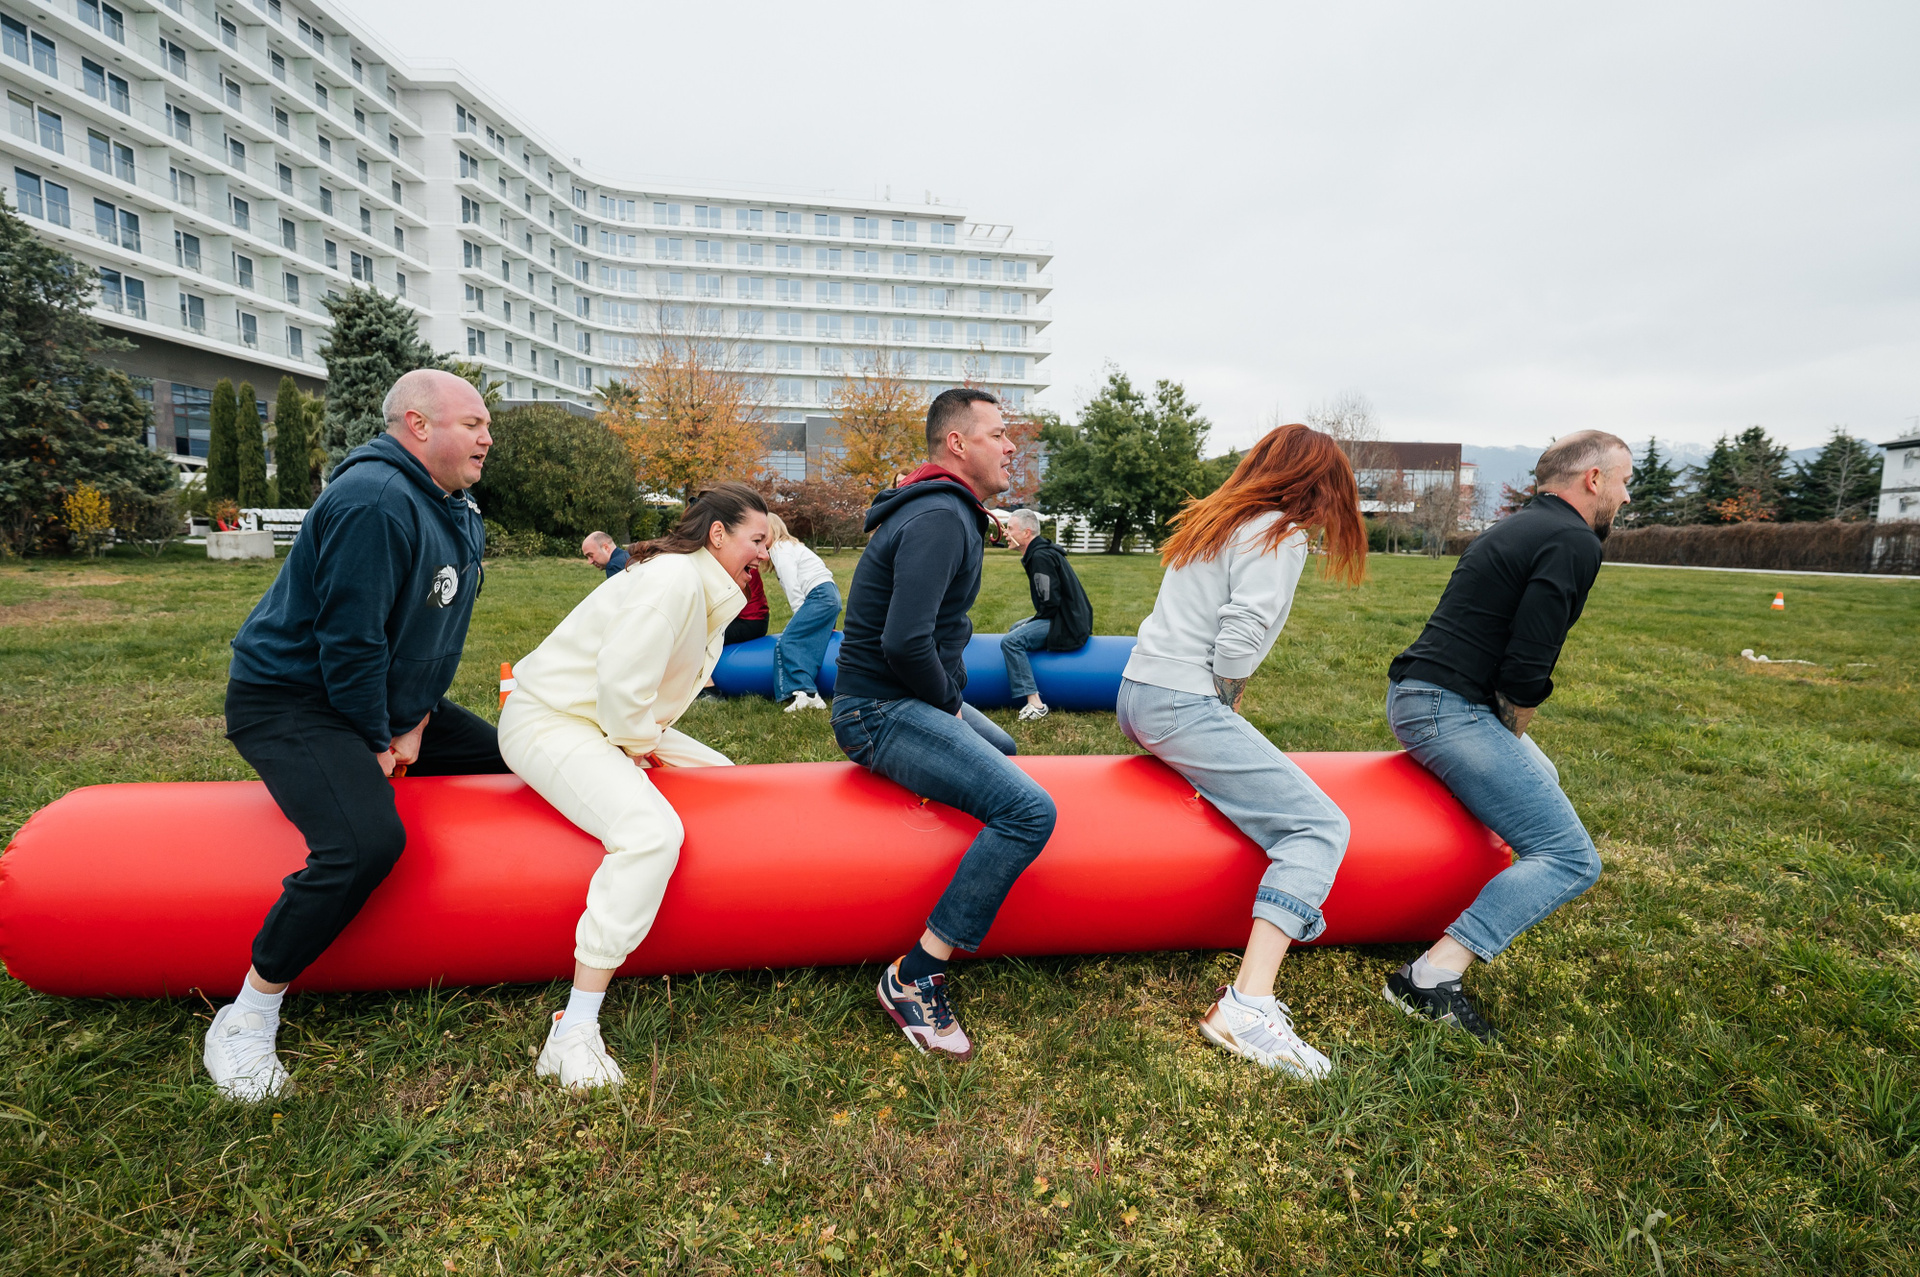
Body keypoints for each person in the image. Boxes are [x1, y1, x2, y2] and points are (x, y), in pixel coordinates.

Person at [204, 369, 512, 1102]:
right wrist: (378, 740)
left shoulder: (455, 504)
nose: (487, 437)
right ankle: (248, 1012)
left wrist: (416, 719)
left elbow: (431, 633)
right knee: (365, 843)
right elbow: (349, 643)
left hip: (386, 699)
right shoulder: (374, 500)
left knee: (521, 757)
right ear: (417, 425)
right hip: (293, 700)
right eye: (472, 423)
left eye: (486, 425)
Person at [498, 483, 771, 1090]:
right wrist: (635, 746)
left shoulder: (700, 583)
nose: (765, 554)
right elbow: (622, 689)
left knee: (727, 783)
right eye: (757, 540)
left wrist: (639, 741)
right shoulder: (674, 581)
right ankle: (574, 1029)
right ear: (718, 534)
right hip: (553, 719)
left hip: (608, 720)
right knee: (650, 834)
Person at [1116, 423, 1368, 1079]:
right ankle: (1246, 1006)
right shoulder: (1279, 532)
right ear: (1316, 485)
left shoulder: (1219, 518)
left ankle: (1250, 1003)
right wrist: (1224, 703)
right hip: (1180, 701)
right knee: (1319, 826)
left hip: (1138, 693)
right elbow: (1238, 638)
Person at [1381, 430, 1630, 1042]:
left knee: (1545, 779)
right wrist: (1509, 731)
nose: (1626, 496)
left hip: (1417, 695)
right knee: (1571, 857)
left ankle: (1453, 911)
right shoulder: (1573, 539)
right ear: (1594, 479)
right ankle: (1429, 978)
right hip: (1447, 708)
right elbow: (1525, 671)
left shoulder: (1516, 526)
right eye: (1624, 482)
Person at [831, 388, 1056, 1060]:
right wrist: (949, 705)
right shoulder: (939, 516)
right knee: (1030, 811)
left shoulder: (945, 508)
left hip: (898, 698)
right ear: (957, 444)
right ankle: (915, 975)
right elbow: (904, 643)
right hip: (878, 711)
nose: (1011, 447)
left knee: (1004, 745)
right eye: (998, 434)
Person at [999, 508, 1093, 721]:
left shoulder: (1040, 556)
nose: (1006, 533)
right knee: (1016, 628)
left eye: (1010, 529)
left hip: (1066, 622)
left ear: (1026, 533)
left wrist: (1032, 623)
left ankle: (1036, 704)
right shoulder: (1041, 551)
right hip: (1066, 616)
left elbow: (1050, 601)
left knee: (1011, 642)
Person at [765, 512, 842, 712]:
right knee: (810, 642)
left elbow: (792, 585)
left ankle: (807, 692)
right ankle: (806, 695)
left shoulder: (779, 549)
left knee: (789, 641)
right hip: (831, 594)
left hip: (819, 595)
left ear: (772, 530)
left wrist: (799, 614)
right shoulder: (792, 546)